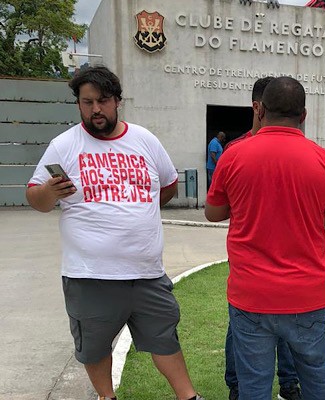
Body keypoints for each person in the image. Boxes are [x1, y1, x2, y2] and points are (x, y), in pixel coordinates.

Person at [25, 66, 203, 400]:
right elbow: (36, 198)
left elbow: (167, 185)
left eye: (103, 101)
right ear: (78, 104)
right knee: (94, 346)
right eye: (87, 102)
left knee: (164, 337)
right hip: (90, 275)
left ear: (117, 101)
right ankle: (107, 398)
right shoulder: (64, 145)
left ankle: (188, 397)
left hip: (146, 273)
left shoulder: (144, 140)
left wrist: (138, 211)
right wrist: (51, 191)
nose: (95, 109)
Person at [205, 76, 325, 400]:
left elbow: (214, 213)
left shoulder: (233, 156)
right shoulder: (323, 159)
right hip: (307, 295)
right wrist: (317, 215)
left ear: (260, 111)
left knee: (253, 387)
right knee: (317, 380)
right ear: (303, 115)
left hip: (251, 295)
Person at [221, 76, 303, 400]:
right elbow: (220, 206)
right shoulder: (235, 150)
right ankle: (237, 384)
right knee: (241, 327)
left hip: (290, 259)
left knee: (287, 325)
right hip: (250, 262)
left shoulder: (298, 150)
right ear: (259, 107)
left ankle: (289, 383)